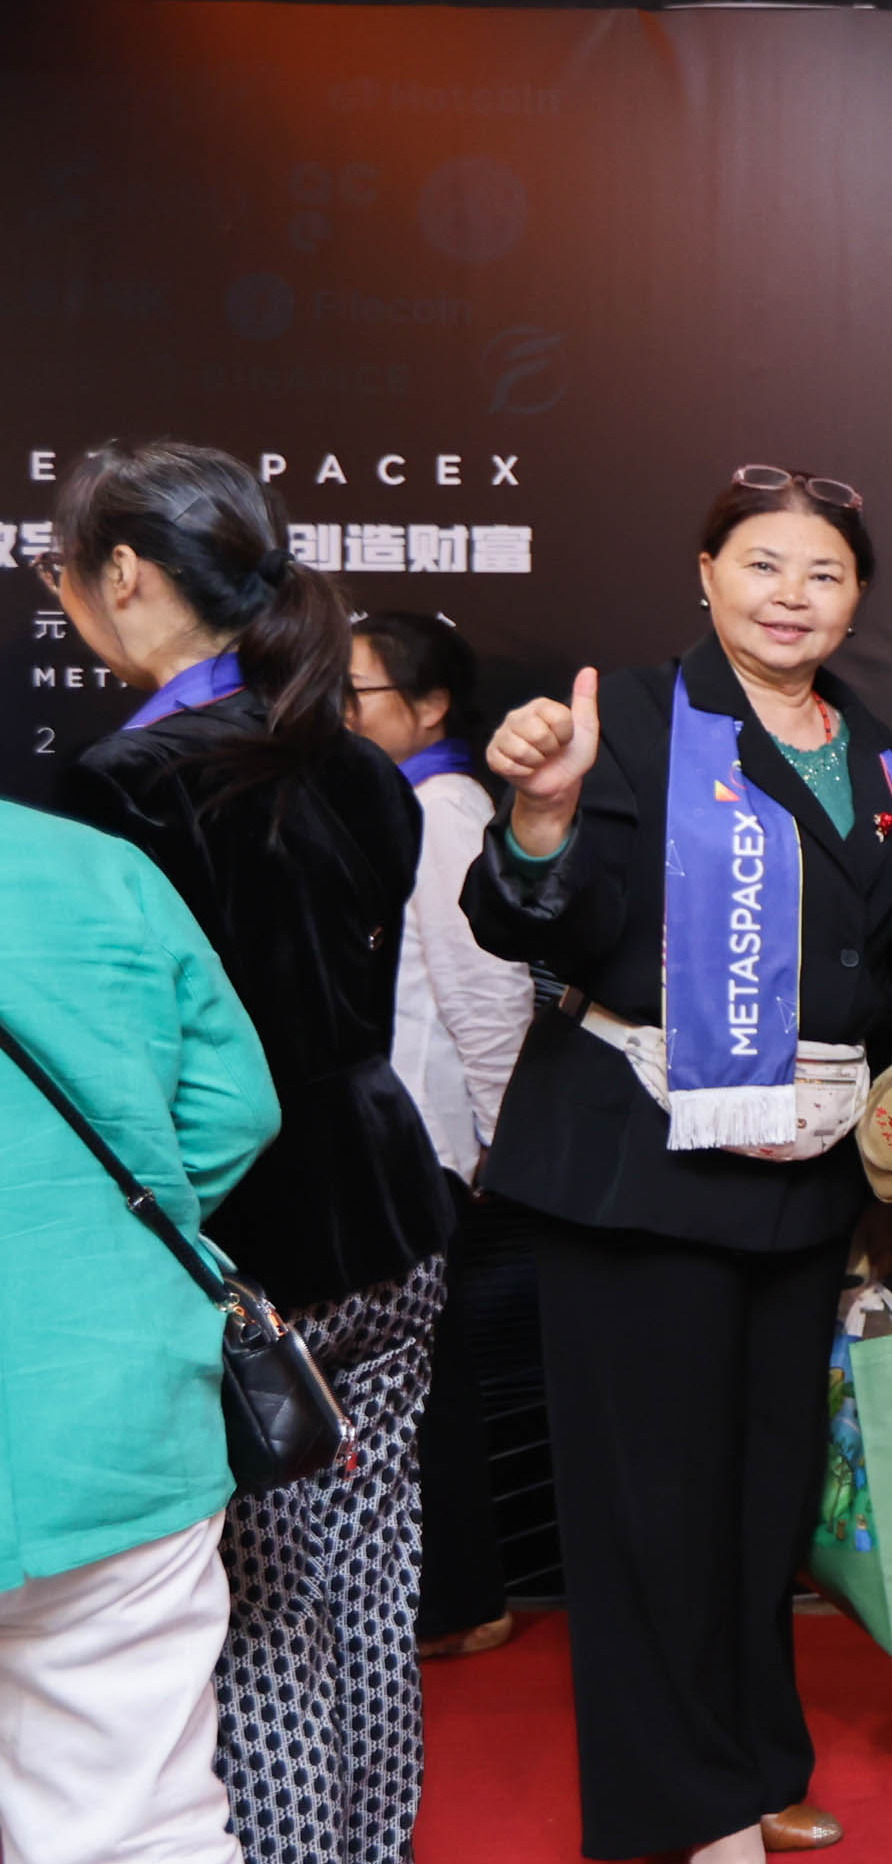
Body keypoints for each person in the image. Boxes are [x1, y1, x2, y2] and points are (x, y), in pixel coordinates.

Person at [52, 442, 461, 1864]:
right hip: (397, 1226)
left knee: (257, 1669)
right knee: (366, 1617)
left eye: (66, 574)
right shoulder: (357, 767)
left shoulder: (121, 792)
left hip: (247, 1275)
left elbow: (147, 1085)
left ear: (124, 581)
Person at [463, 466, 892, 1864]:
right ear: (706, 572)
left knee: (763, 1493)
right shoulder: (634, 721)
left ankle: (756, 1755)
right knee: (653, 1501)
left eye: (824, 573)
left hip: (805, 1172)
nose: (793, 595)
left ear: (857, 597)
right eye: (763, 564)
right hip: (643, 1167)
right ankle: (691, 1801)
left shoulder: (872, 747)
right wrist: (541, 818)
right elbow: (535, 919)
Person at [0, 795, 279, 1864]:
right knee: (131, 1843)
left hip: (96, 1413)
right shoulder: (91, 870)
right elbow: (235, 1107)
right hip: (101, 1403)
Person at [341, 609, 533, 1663]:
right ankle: (448, 1597)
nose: (339, 711)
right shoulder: (395, 801)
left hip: (424, 1141)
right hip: (393, 1137)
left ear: (430, 707)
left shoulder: (446, 811)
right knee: (421, 1374)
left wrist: (505, 1137)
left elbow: (488, 993)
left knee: (429, 1380)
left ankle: (461, 1600)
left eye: (359, 692)